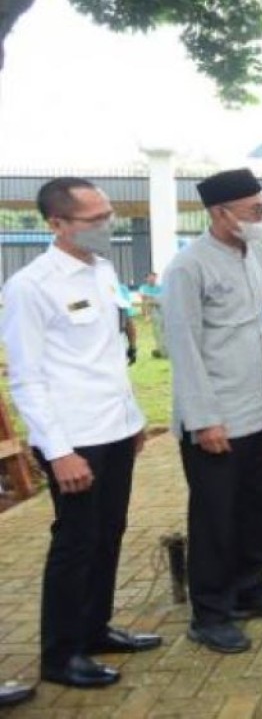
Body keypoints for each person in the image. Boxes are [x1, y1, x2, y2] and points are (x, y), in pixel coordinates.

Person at [1, 177, 160, 689]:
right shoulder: (31, 286)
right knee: (76, 541)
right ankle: (60, 653)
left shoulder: (105, 270)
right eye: (95, 219)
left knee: (109, 532)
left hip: (116, 427)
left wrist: (133, 419)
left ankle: (95, 629)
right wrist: (59, 450)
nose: (107, 225)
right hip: (74, 437)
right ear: (57, 224)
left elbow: (111, 353)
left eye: (108, 214)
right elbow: (27, 378)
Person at [164, 168, 262, 655]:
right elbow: (183, 348)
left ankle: (251, 587)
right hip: (218, 418)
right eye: (255, 211)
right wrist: (204, 419)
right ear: (220, 213)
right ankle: (211, 613)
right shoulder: (189, 267)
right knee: (215, 518)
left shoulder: (255, 253)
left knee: (258, 505)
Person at [139, 272, 167, 358]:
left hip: (161, 310)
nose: (152, 279)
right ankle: (161, 350)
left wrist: (152, 298)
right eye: (150, 277)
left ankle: (163, 349)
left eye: (153, 277)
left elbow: (163, 298)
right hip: (150, 309)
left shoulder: (161, 287)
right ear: (146, 279)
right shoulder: (143, 287)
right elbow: (144, 298)